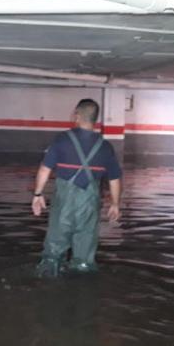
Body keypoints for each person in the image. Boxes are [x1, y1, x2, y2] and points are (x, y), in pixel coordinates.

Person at [31, 99, 122, 277]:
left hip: (64, 204)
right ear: (95, 119)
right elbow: (114, 179)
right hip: (89, 205)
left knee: (54, 251)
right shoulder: (105, 147)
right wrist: (115, 204)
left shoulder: (62, 140)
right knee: (84, 256)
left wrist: (38, 194)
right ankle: (83, 291)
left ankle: (49, 285)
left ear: (77, 115)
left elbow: (44, 169)